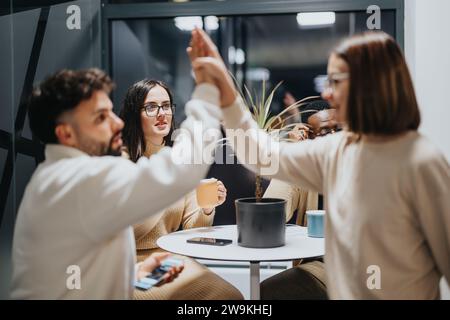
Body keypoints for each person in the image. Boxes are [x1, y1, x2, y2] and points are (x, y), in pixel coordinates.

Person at [190, 28, 450, 299]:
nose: (327, 93)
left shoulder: (420, 162)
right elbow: (259, 154)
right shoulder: (337, 150)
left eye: (336, 81)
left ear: (369, 84)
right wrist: (224, 90)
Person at [11, 49, 225, 298]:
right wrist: (209, 89)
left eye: (111, 112)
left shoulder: (55, 176)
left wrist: (136, 273)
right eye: (101, 117)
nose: (118, 122)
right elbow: (180, 169)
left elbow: (82, 266)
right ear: (66, 134)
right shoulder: (83, 178)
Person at [120, 79, 243, 300]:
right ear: (134, 114)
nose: (161, 113)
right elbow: (130, 231)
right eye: (151, 107)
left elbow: (192, 228)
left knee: (230, 296)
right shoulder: (122, 162)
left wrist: (206, 207)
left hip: (170, 260)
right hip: (130, 266)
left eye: (166, 106)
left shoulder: (178, 159)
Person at [261, 99, 337, 300]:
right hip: (320, 265)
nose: (333, 138)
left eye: (337, 130)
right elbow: (268, 219)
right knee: (267, 292)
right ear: (308, 136)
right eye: (324, 132)